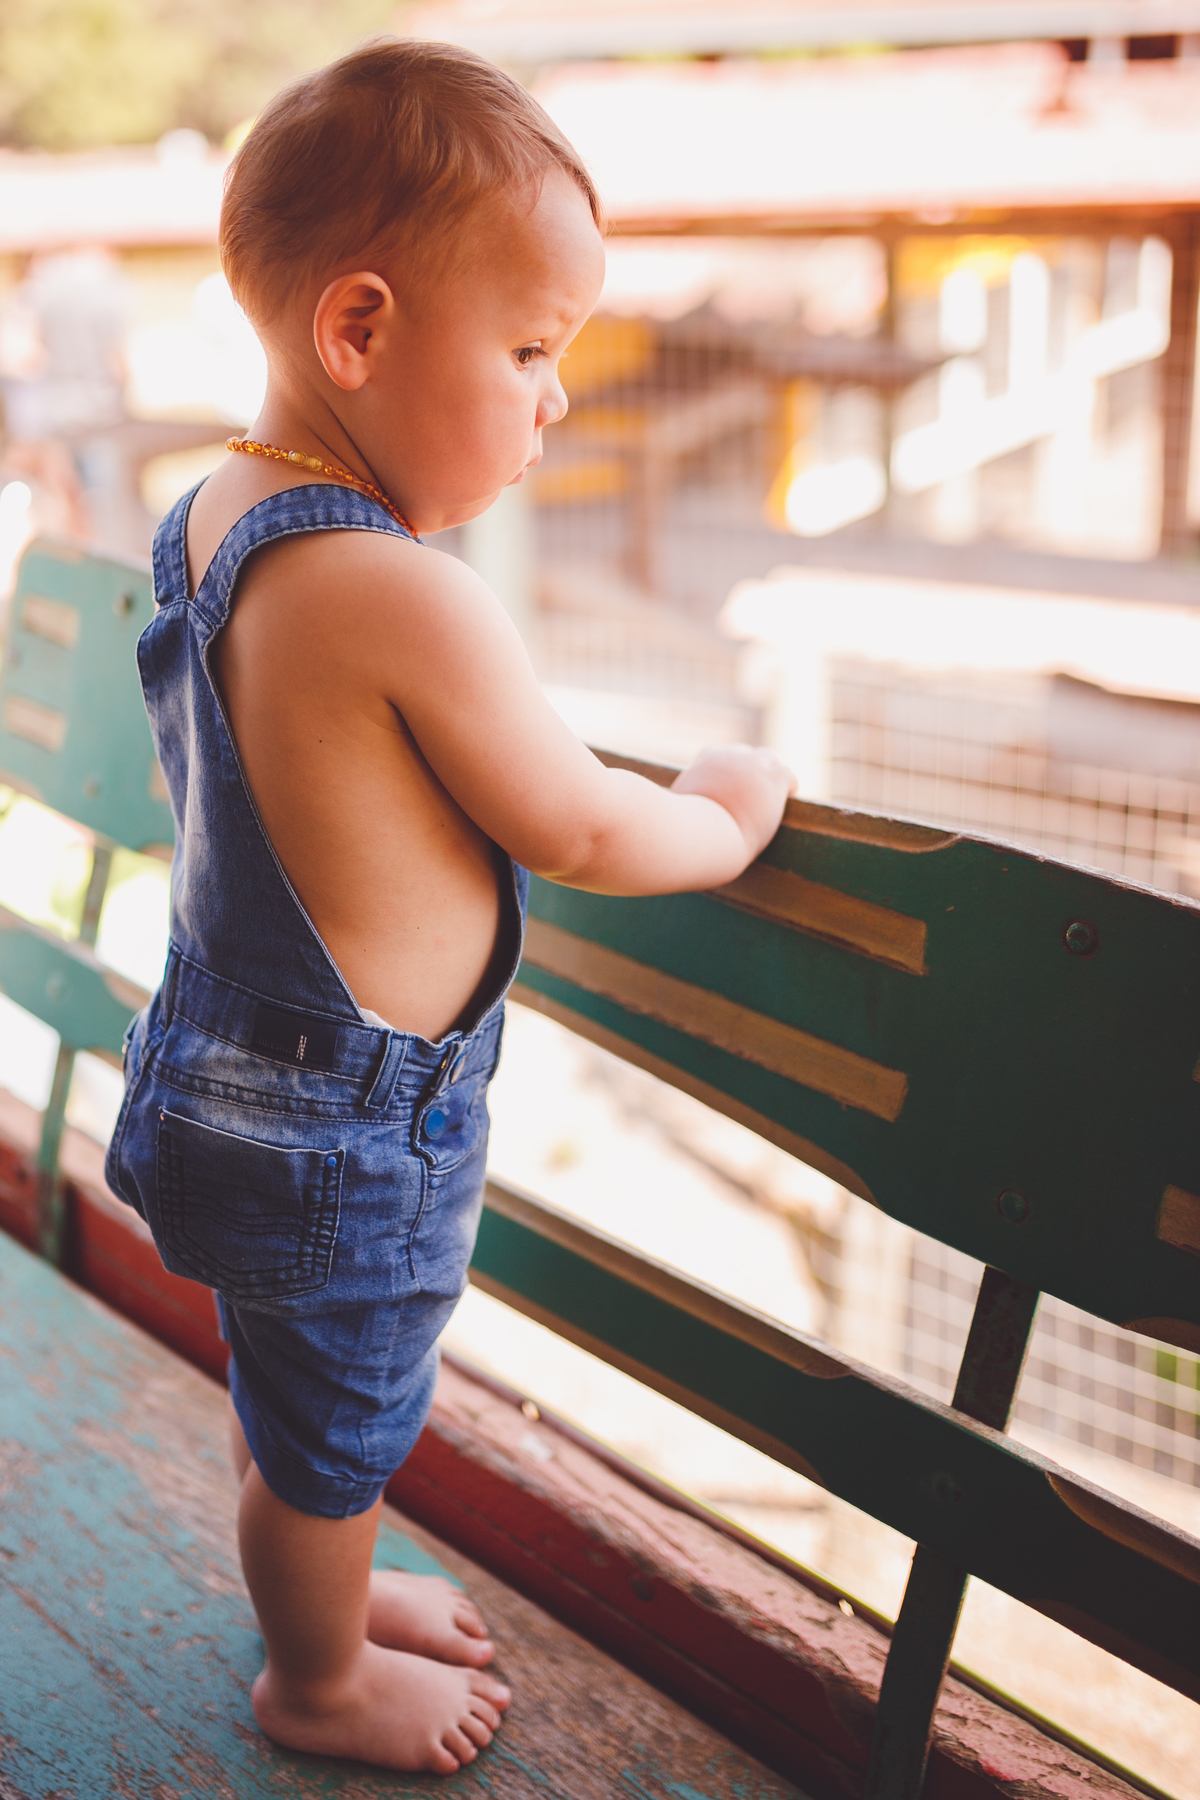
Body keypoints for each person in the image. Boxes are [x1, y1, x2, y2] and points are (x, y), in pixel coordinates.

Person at [105, 37, 795, 1778]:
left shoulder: (216, 514)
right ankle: (313, 1680)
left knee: (299, 1399)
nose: (556, 399)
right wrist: (716, 814)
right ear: (358, 330)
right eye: (531, 349)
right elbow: (572, 820)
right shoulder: (402, 590)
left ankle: (318, 1603)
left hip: (218, 1070)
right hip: (350, 1135)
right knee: (335, 1439)